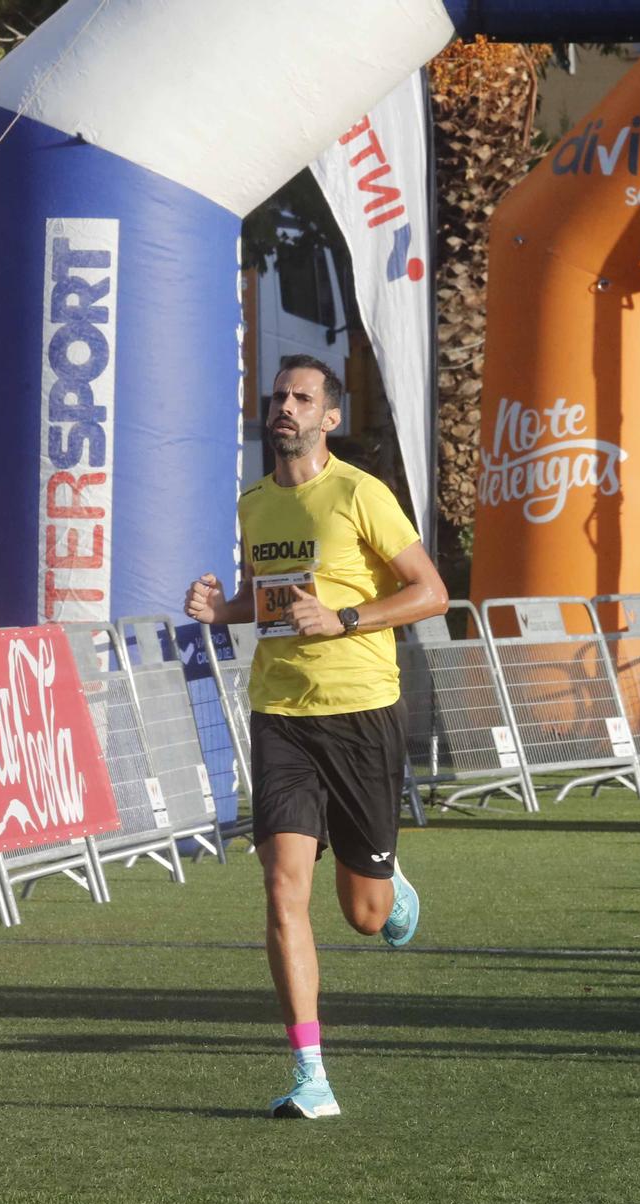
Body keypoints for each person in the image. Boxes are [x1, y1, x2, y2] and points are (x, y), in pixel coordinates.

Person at [185, 354, 448, 1119]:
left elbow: (431, 591)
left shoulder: (361, 494)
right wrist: (221, 609)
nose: (286, 407)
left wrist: (346, 619)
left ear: (330, 416)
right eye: (278, 396)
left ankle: (387, 875)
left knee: (365, 915)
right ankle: (311, 1071)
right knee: (280, 886)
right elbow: (266, 604)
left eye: (303, 398)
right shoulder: (255, 504)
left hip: (361, 710)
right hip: (281, 717)